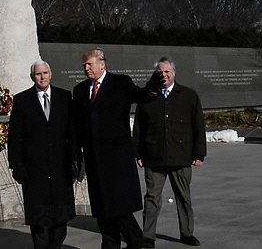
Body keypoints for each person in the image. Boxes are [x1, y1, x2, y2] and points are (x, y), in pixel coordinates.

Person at [72, 48, 165, 249]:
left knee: (119, 207)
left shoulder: (120, 83)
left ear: (102, 63)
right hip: (94, 160)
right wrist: (76, 153)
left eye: (90, 64)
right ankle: (110, 244)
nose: (86, 68)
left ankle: (136, 241)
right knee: (102, 210)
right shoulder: (80, 90)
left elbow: (140, 95)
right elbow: (78, 125)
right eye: (84, 65)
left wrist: (152, 89)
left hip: (117, 159)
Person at [133, 57, 206, 248]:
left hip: (180, 156)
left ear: (174, 73)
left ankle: (187, 233)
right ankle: (148, 236)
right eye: (160, 73)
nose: (163, 75)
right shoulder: (147, 97)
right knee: (151, 198)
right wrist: (138, 154)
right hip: (153, 156)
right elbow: (139, 127)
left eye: (167, 72)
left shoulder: (188, 96)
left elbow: (198, 125)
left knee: (183, 197)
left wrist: (199, 154)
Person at [8, 61, 76, 249]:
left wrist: (75, 159)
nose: (42, 77)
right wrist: (16, 164)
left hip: (60, 168)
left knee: (60, 220)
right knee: (39, 220)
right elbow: (15, 136)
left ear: (51, 74)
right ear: (32, 77)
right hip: (34, 170)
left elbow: (72, 132)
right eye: (38, 74)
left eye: (45, 73)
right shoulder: (22, 100)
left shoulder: (64, 97)